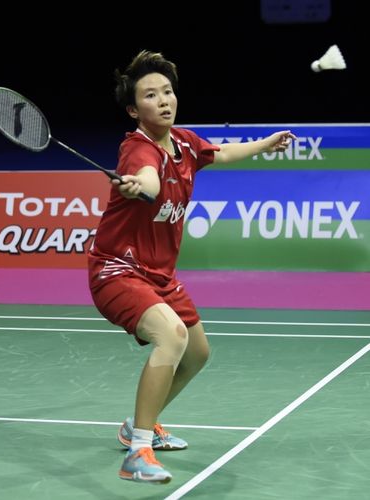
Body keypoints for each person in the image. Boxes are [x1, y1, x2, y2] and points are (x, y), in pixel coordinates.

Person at [88, 50, 295, 483]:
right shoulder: (136, 151)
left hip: (160, 274)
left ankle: (136, 426)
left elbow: (220, 153)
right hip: (117, 271)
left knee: (198, 353)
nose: (163, 100)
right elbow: (146, 178)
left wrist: (266, 144)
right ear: (133, 109)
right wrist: (138, 186)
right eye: (150, 95)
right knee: (173, 335)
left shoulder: (184, 142)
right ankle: (138, 453)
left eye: (167, 91)